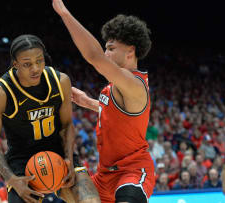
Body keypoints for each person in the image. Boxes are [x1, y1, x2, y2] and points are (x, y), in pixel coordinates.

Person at [52, 0, 155, 202]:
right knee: (58, 186)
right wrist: (88, 102)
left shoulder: (135, 83)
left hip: (132, 171)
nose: (106, 53)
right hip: (104, 175)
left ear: (130, 51)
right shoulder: (113, 87)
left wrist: (65, 14)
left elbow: (94, 57)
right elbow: (116, 116)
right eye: (106, 49)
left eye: (110, 48)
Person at [0, 34, 100, 203]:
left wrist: (68, 160)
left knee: (91, 200)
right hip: (22, 160)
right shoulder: (0, 93)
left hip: (58, 152)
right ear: (15, 64)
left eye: (39, 61)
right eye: (27, 64)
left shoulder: (60, 81)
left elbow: (66, 125)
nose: (36, 68)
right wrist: (11, 179)